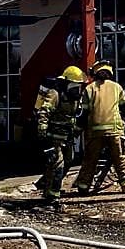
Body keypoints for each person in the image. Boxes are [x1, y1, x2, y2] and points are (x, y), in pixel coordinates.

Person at [73, 60, 125, 195]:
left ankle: (83, 186)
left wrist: (77, 131)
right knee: (121, 158)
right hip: (114, 131)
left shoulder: (89, 89)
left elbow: (83, 114)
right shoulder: (116, 87)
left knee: (90, 159)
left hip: (94, 132)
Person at [34, 66, 85, 203]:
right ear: (67, 83)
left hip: (67, 137)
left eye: (79, 87)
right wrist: (42, 129)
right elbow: (44, 112)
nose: (77, 90)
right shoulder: (55, 94)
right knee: (58, 165)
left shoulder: (74, 98)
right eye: (75, 86)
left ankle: (46, 184)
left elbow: (74, 116)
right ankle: (52, 196)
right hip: (53, 137)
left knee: (69, 161)